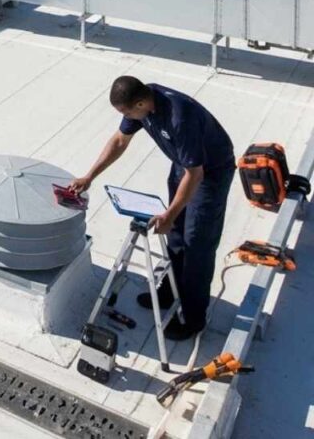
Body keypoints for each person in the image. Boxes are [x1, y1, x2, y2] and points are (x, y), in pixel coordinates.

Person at [69, 76, 235, 341]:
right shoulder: (142, 104)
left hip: (209, 173)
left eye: (126, 113)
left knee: (197, 244)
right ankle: (170, 292)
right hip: (183, 165)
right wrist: (90, 176)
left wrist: (170, 213)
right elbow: (120, 141)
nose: (125, 118)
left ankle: (193, 318)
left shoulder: (179, 117)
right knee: (176, 235)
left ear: (140, 103)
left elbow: (196, 174)